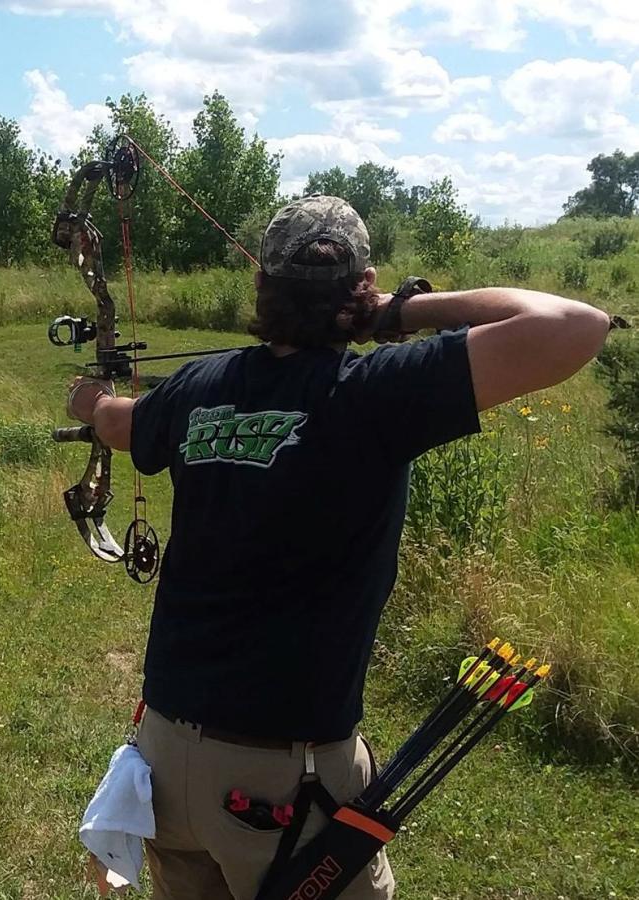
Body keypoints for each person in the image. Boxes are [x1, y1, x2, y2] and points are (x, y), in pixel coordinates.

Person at [66, 195, 611, 900]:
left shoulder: (200, 388)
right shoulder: (369, 393)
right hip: (284, 782)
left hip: (165, 762)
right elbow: (575, 325)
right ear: (364, 284)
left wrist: (86, 398)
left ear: (262, 285)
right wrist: (399, 312)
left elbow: (115, 421)